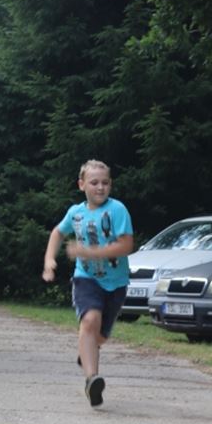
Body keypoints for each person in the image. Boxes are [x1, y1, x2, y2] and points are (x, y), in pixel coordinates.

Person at [43, 159, 134, 407]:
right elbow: (57, 232)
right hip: (86, 278)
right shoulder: (76, 213)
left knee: (100, 337)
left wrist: (90, 252)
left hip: (116, 283)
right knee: (90, 320)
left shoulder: (117, 209)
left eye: (105, 183)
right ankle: (92, 380)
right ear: (81, 185)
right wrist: (49, 260)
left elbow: (126, 245)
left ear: (110, 184)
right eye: (94, 183)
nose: (100, 187)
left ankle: (87, 351)